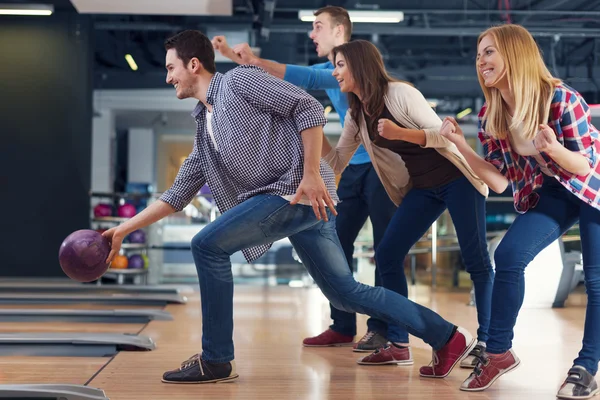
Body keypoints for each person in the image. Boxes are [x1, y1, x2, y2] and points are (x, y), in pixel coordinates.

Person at [102, 29, 476, 384]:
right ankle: (446, 336)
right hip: (299, 203)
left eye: (171, 68)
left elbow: (308, 107)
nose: (169, 78)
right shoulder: (204, 122)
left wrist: (312, 173)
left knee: (207, 246)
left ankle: (216, 358)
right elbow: (178, 193)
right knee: (344, 293)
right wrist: (123, 229)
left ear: (194, 65)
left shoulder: (238, 81)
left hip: (292, 193)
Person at [212, 5, 397, 353]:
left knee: (386, 250)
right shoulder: (330, 69)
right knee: (337, 244)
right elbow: (280, 78)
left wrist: (250, 58)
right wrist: (232, 57)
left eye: (318, 27)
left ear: (340, 31)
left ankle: (383, 330)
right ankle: (342, 325)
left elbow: (304, 78)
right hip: (351, 170)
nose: (312, 34)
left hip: (381, 168)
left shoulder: (350, 67)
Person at [440, 24, 600, 398]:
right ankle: (497, 352)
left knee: (596, 280)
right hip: (555, 191)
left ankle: (586, 366)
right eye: (479, 54)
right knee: (509, 254)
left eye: (489, 52)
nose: (481, 61)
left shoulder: (560, 99)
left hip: (593, 187)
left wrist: (553, 149)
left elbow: (583, 166)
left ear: (515, 54)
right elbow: (498, 182)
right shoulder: (492, 114)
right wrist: (460, 147)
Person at [321, 39, 494, 369]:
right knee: (386, 253)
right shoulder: (357, 114)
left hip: (458, 180)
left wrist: (400, 133)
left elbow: (443, 135)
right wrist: (313, 141)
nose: (335, 71)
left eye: (341, 64)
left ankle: (488, 342)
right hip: (424, 188)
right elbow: (339, 158)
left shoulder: (400, 94)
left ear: (359, 66)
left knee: (476, 261)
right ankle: (399, 341)